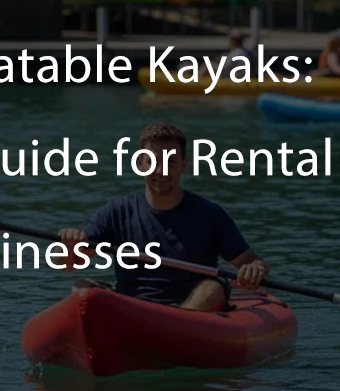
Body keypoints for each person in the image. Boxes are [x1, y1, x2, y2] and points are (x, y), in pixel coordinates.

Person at [58, 122, 269, 311]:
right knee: (82, 289)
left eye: (170, 162)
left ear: (183, 165)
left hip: (195, 312)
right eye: (152, 161)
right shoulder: (117, 212)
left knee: (212, 289)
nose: (161, 170)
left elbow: (253, 262)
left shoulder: (209, 214)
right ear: (140, 164)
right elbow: (67, 263)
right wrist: (68, 244)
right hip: (133, 307)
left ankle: (176, 331)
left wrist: (254, 270)